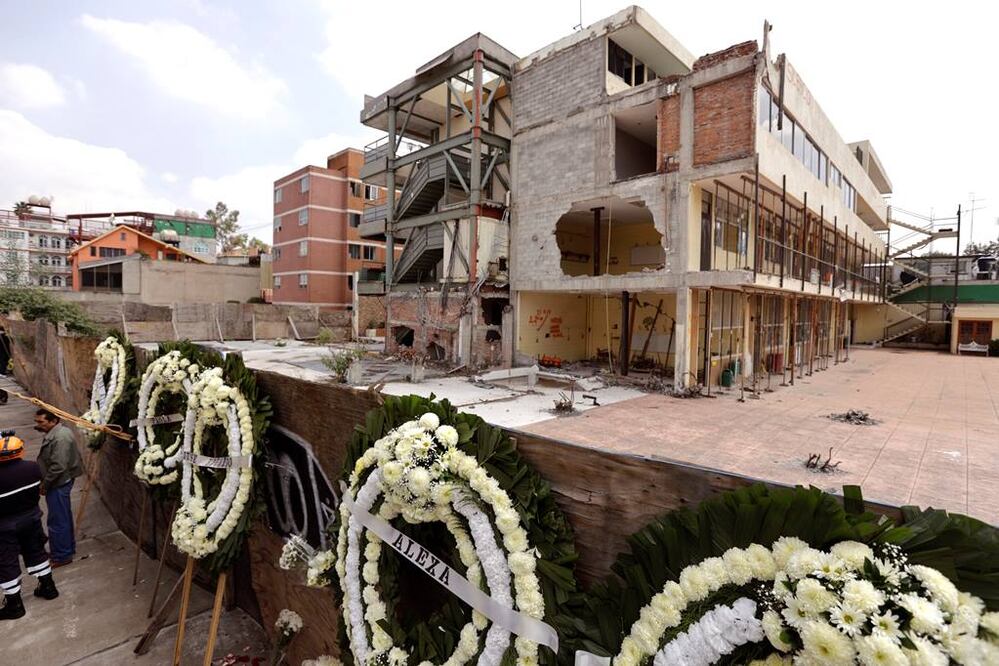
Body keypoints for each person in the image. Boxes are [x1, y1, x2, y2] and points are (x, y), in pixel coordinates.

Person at [0, 431, 58, 620]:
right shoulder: (33, 468)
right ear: (20, 451)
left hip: (5, 526)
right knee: (36, 552)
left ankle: (14, 605)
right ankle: (48, 587)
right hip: (31, 519)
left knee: (6, 561)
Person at [33, 409, 83, 567]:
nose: (39, 425)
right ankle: (66, 549)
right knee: (63, 517)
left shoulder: (60, 437)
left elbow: (58, 466)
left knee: (57, 521)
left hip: (58, 482)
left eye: (42, 422)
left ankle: (61, 556)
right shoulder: (59, 432)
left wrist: (44, 484)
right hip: (60, 481)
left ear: (53, 421)